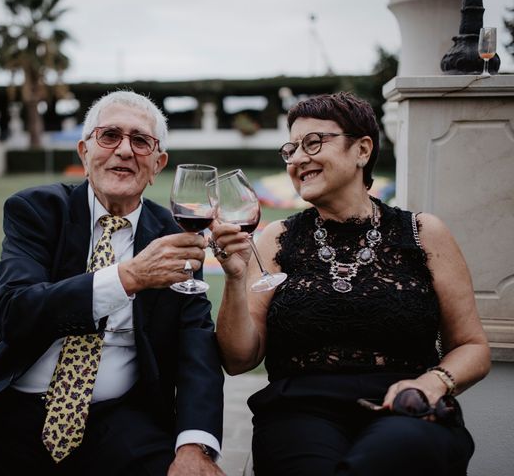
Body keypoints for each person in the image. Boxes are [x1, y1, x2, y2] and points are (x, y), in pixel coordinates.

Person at [0, 90, 225, 476]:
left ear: (157, 164)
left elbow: (196, 342)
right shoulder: (36, 209)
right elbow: (14, 312)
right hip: (6, 407)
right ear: (84, 152)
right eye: (110, 136)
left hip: (117, 419)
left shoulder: (173, 235)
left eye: (140, 141)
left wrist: (195, 445)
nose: (124, 150)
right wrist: (129, 277)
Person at [209, 92, 490, 475]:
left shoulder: (424, 233)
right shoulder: (275, 238)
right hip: (299, 413)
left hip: (406, 407)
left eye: (313, 143)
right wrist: (234, 278)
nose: (298, 159)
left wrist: (433, 383)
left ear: (362, 149)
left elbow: (472, 347)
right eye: (291, 149)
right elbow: (239, 359)